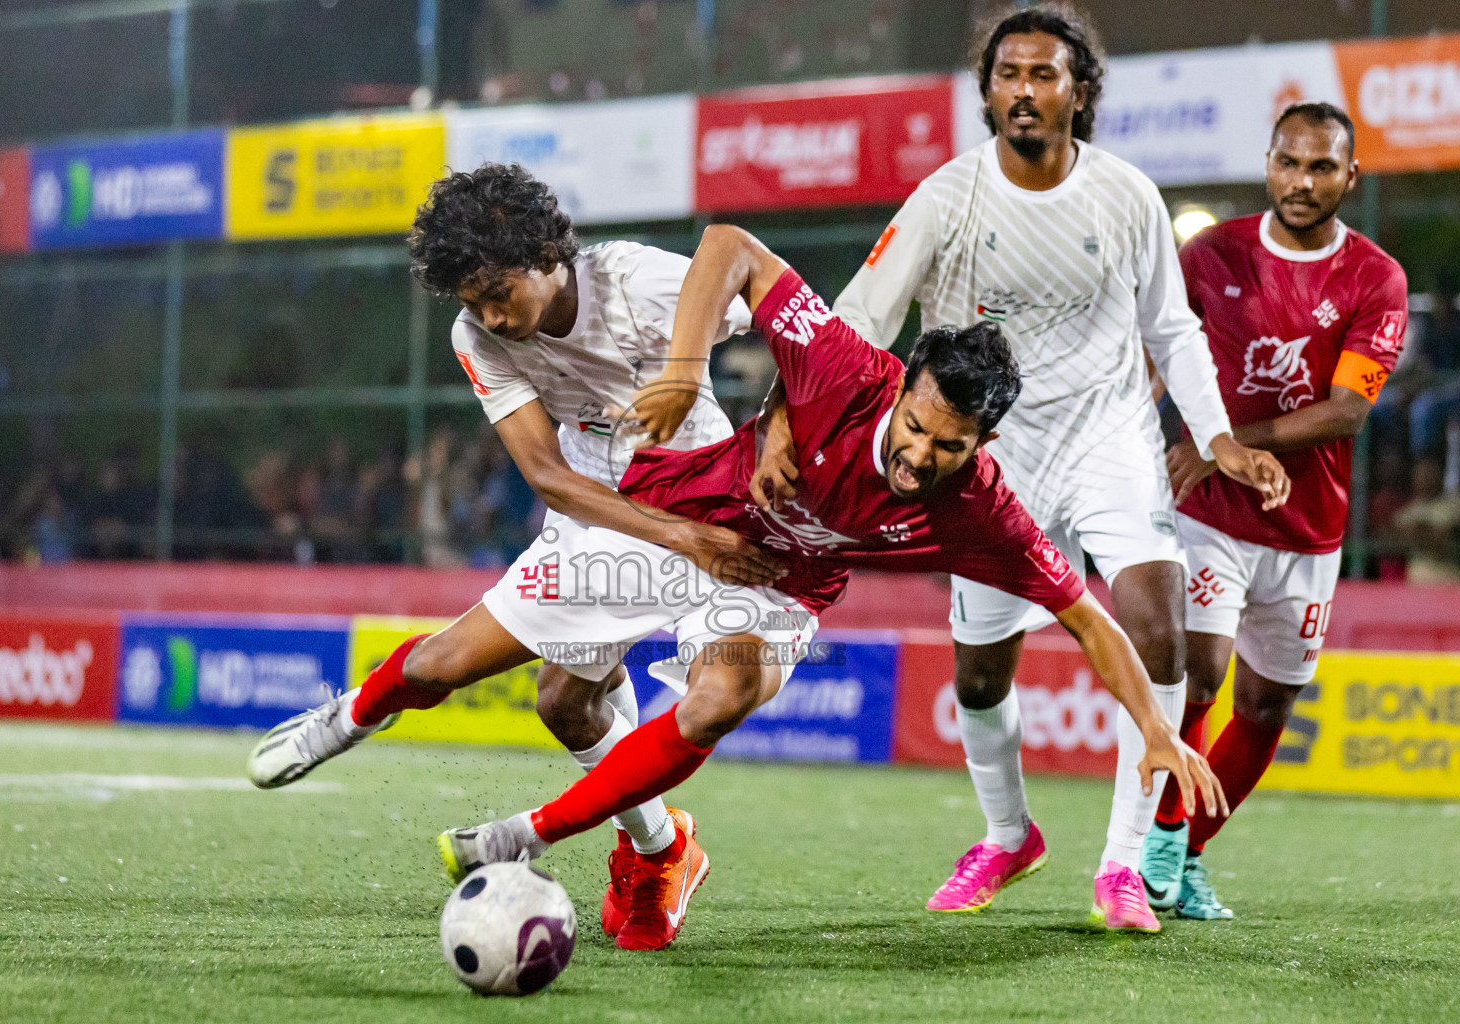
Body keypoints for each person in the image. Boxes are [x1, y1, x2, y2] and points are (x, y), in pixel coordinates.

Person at [417, 224, 1225, 943]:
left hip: (788, 584)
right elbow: (730, 245)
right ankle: (654, 847)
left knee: (718, 696)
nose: (918, 457)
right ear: (904, 388)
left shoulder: (985, 512)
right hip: (705, 511)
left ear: (985, 442)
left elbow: (1090, 621)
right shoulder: (846, 367)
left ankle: (532, 833)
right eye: (915, 426)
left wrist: (1157, 730)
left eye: (949, 448)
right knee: (561, 695)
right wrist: (700, 382)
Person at [789, 3, 1288, 931]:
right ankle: (1008, 834)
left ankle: (1124, 866)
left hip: (1109, 439)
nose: (1023, 90)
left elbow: (1171, 331)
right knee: (980, 678)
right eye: (1007, 74)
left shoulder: (1129, 194)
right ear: (987, 90)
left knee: (1156, 627)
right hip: (990, 458)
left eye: (1044, 75)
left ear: (1080, 91)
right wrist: (796, 419)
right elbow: (861, 318)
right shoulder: (946, 197)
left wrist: (1215, 436)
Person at [249, 163, 779, 951]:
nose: (491, 317)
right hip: (603, 516)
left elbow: (795, 328)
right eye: (473, 301)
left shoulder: (638, 281)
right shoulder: (477, 334)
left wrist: (757, 430)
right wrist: (677, 536)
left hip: (712, 504)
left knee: (716, 689)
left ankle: (656, 857)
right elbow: (545, 476)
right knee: (530, 693)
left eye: (500, 292)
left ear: (545, 253)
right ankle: (351, 716)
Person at [1140, 104, 1409, 918]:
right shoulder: (1210, 253)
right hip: (1211, 512)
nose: (1302, 181)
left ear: (1348, 177)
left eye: (1322, 168)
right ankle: (1153, 839)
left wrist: (1220, 437)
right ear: (1268, 163)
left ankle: (1184, 852)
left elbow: (1345, 412)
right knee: (1202, 667)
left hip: (1308, 527)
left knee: (1265, 705)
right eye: (1289, 163)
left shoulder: (1376, 278)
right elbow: (1156, 354)